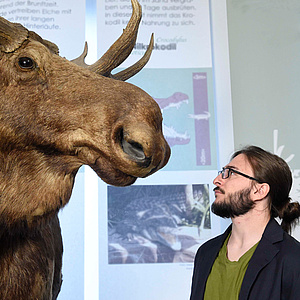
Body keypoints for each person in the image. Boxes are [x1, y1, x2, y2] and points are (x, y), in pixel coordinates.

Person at [190, 145, 300, 300]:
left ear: (259, 190)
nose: (217, 180)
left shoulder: (292, 259)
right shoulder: (206, 253)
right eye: (222, 172)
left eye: (231, 173)